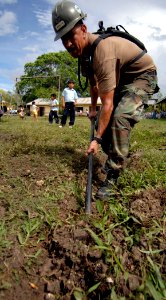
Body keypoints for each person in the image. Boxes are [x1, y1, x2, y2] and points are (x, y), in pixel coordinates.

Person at [52, 0, 159, 199]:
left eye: (70, 35)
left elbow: (108, 104)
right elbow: (94, 86)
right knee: (103, 118)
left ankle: (113, 174)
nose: (67, 43)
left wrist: (96, 138)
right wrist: (93, 109)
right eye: (62, 38)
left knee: (118, 117)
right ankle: (116, 154)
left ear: (83, 29)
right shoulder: (84, 56)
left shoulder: (102, 52)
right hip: (122, 80)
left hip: (142, 77)